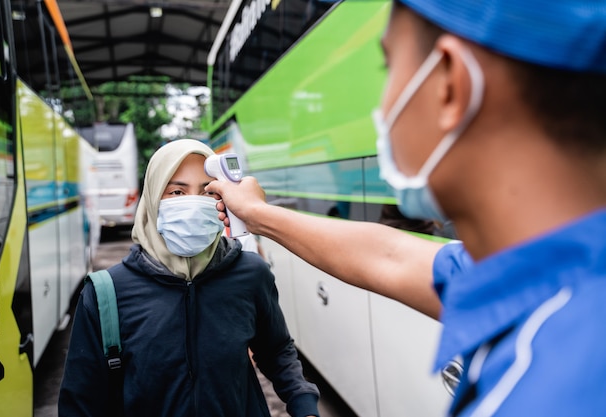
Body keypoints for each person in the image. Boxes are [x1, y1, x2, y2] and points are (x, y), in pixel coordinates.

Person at [205, 1, 606, 416]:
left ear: (450, 84)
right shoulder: (543, 268)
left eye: (387, 66)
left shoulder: (538, 393)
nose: (381, 106)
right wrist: (257, 214)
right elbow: (389, 256)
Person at [58, 139, 320, 417]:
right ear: (153, 199)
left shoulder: (251, 273)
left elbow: (277, 350)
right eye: (177, 192)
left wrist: (305, 406)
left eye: (207, 192)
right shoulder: (106, 293)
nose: (193, 203)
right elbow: (80, 401)